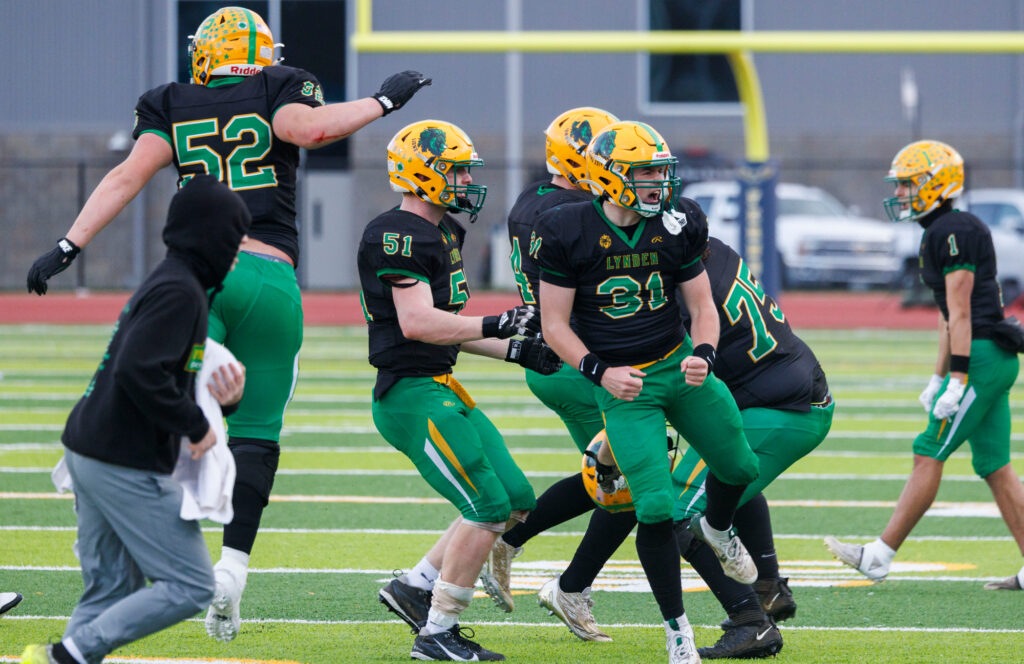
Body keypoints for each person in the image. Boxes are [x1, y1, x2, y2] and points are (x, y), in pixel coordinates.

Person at [24, 6, 431, 642]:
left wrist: (69, 247)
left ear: (205, 53)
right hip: (272, 280)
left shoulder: (171, 101)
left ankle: (105, 500)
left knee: (144, 380)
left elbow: (127, 177)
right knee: (259, 432)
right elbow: (315, 130)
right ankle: (232, 572)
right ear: (260, 54)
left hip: (198, 276)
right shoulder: (277, 84)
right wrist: (383, 100)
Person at [534, 120, 760, 664]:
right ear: (609, 177)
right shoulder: (566, 228)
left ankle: (718, 527)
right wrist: (599, 371)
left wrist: (703, 353)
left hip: (675, 364)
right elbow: (554, 325)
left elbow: (703, 306)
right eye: (645, 172)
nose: (658, 182)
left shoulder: (676, 223)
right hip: (623, 385)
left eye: (660, 170)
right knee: (654, 507)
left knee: (740, 467)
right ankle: (677, 632)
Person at [21, 175, 250, 664]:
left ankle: (63, 658)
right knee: (191, 584)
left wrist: (222, 405)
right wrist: (196, 425)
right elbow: (138, 371)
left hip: (90, 447)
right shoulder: (180, 290)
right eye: (232, 240)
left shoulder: (174, 282)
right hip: (118, 458)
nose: (235, 254)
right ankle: (68, 655)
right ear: (208, 236)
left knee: (112, 587)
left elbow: (167, 368)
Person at [361, 119, 560, 661]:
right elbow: (419, 324)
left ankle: (415, 586)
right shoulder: (394, 232)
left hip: (441, 384)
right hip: (410, 393)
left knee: (518, 499)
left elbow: (451, 325)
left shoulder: (446, 230)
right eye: (455, 169)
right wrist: (501, 325)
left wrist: (518, 350)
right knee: (487, 504)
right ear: (420, 171)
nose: (466, 179)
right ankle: (437, 632)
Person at [825, 140, 1024, 591]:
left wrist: (956, 377)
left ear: (937, 184)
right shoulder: (938, 230)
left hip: (982, 357)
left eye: (909, 185)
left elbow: (962, 311)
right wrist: (938, 374)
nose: (900, 194)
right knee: (995, 465)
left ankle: (880, 554)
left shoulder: (953, 230)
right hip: (983, 355)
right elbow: (946, 315)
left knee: (927, 449)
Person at [478, 107, 632, 636]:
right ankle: (571, 588)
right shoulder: (574, 210)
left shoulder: (535, 202)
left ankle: (513, 545)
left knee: (610, 478)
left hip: (557, 361)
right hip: (579, 361)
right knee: (633, 480)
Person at [668, 234, 833, 659]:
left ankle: (751, 623)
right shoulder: (716, 250)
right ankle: (768, 590)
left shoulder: (685, 291)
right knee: (732, 484)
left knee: (674, 512)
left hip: (780, 409)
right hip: (786, 392)